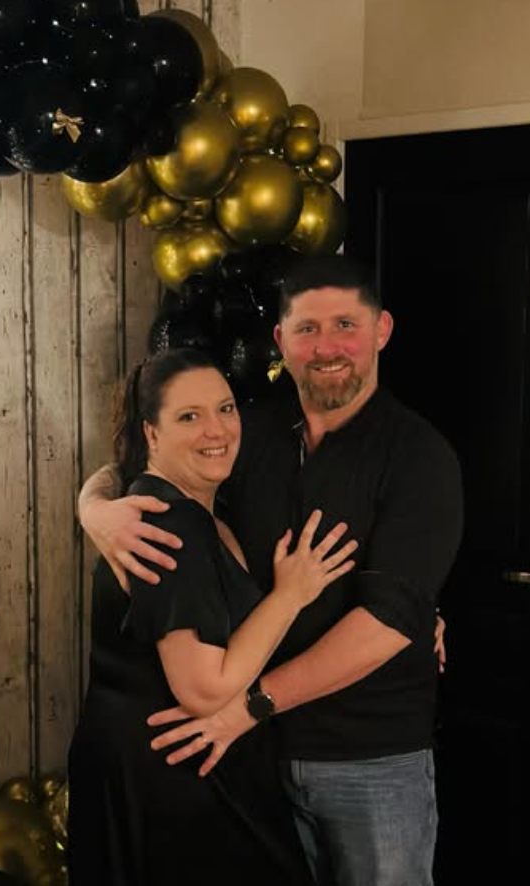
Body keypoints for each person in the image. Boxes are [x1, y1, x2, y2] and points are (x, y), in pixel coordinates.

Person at [78, 255, 464, 886]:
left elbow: (387, 624)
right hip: (258, 760)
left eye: (345, 325)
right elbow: (141, 468)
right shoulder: (246, 433)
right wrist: (94, 509)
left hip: (369, 763)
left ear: (382, 330)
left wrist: (248, 707)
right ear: (281, 340)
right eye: (308, 329)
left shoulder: (420, 457)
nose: (327, 347)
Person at [67, 348, 359, 886]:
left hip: (163, 774)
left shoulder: (183, 500)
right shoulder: (169, 524)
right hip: (173, 782)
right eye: (189, 416)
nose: (216, 429)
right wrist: (292, 594)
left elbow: (111, 472)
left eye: (225, 408)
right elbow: (203, 689)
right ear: (151, 433)